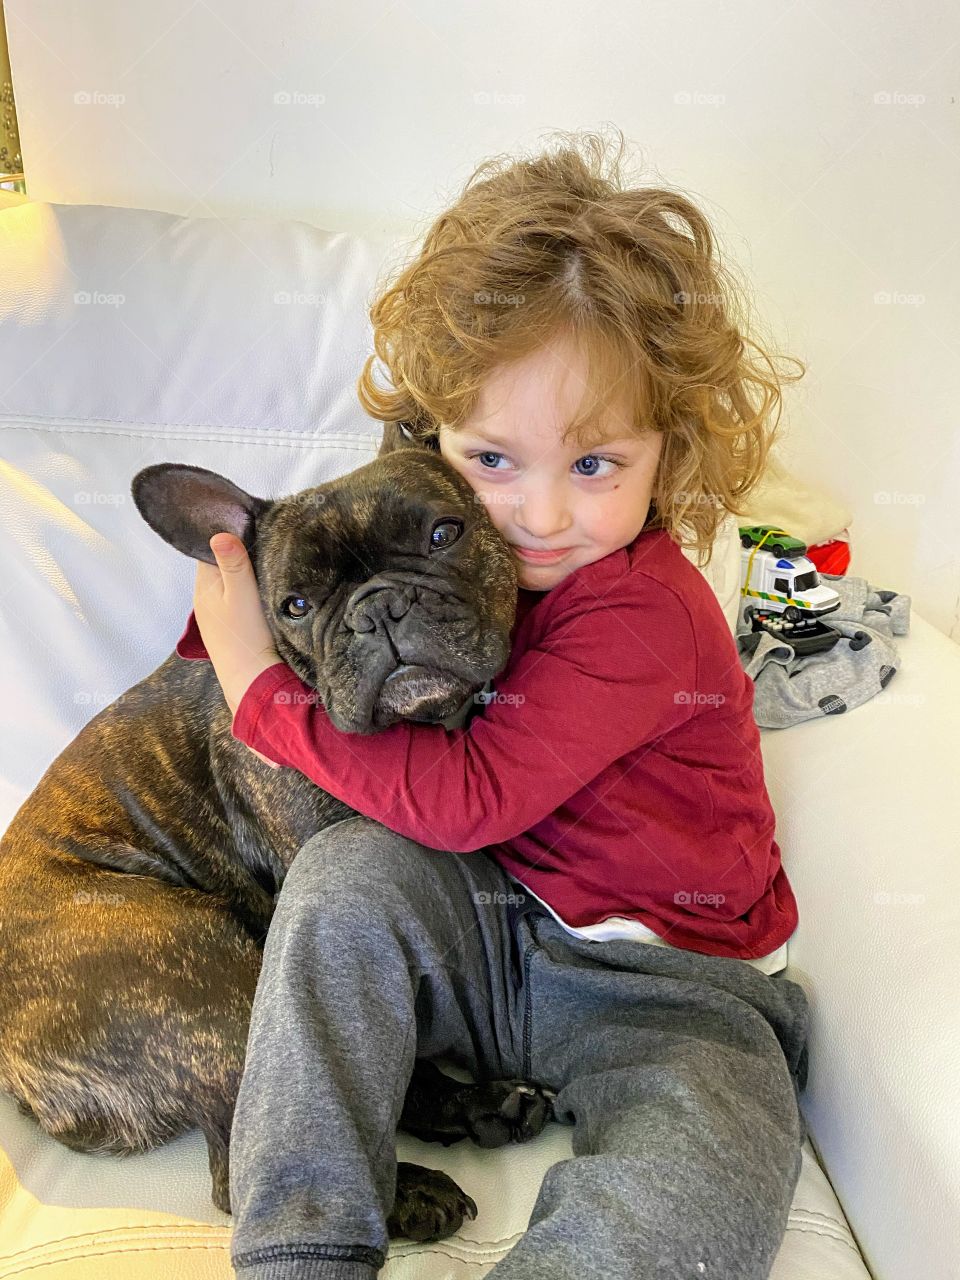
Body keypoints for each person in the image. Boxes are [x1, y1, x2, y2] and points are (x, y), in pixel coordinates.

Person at [184, 128, 810, 1279]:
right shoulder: (454, 558)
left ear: (667, 450)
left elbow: (470, 796)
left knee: (694, 1185)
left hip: (669, 983)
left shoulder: (642, 615)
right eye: (491, 459)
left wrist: (258, 689)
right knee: (343, 882)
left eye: (593, 465)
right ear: (433, 440)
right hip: (497, 926)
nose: (538, 516)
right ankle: (298, 1239)